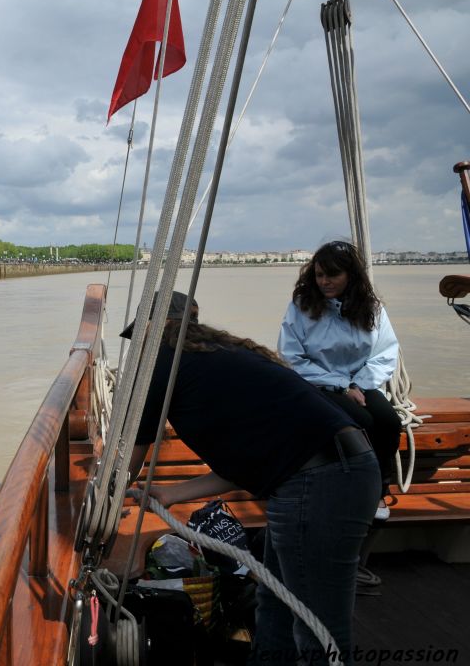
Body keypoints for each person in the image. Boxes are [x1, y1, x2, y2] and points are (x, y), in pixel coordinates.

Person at [125, 293, 378, 665]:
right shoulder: (215, 359)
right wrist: (171, 494)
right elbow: (243, 462)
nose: (136, 347)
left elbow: (134, 447)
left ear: (153, 326)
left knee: (316, 623)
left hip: (321, 480)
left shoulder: (164, 359)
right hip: (329, 473)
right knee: (275, 602)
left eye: (139, 334)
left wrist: (106, 498)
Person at [277, 241, 402, 520]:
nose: (324, 282)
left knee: (389, 422)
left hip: (361, 383)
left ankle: (378, 492)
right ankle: (353, 490)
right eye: (320, 275)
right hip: (316, 384)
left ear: (350, 275)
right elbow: (292, 358)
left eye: (332, 275)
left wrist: (359, 384)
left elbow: (385, 353)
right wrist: (340, 385)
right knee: (362, 422)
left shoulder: (373, 309)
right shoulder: (302, 306)